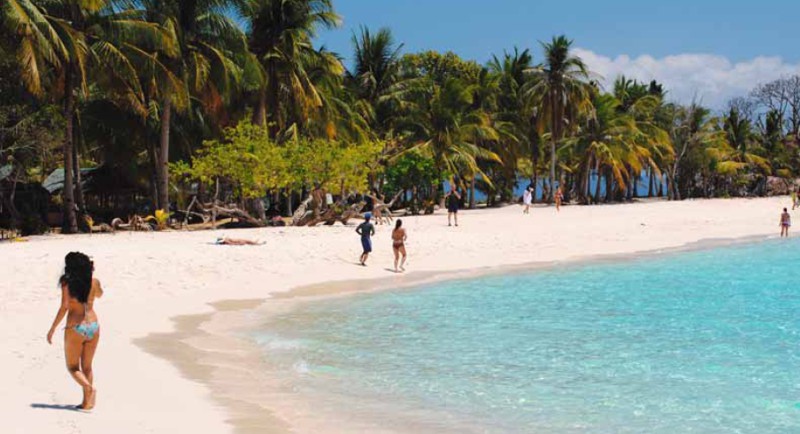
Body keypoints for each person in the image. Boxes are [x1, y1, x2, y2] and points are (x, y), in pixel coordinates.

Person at [47, 252, 103, 410]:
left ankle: (88, 388)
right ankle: (87, 403)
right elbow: (100, 294)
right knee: (87, 367)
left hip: (75, 327)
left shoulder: (67, 282)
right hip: (93, 326)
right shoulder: (94, 281)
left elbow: (65, 306)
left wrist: (53, 328)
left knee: (72, 367)